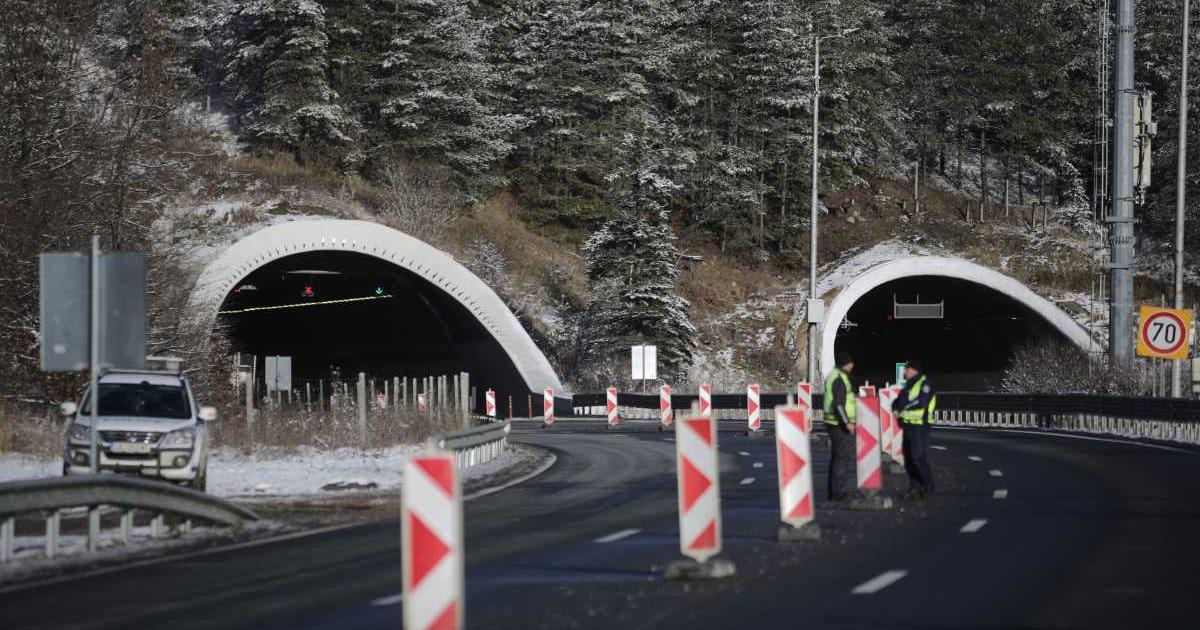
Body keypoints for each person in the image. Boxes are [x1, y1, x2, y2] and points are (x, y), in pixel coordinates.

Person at [892, 359, 937, 498]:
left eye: (907, 369)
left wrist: (903, 408)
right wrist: (898, 415)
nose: (904, 372)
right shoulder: (908, 385)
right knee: (908, 458)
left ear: (914, 370)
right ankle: (914, 486)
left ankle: (927, 485)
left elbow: (921, 403)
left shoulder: (924, 384)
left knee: (917, 456)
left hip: (920, 425)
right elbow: (897, 403)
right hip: (908, 425)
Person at [822, 351, 858, 501]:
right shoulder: (839, 379)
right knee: (842, 458)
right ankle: (838, 492)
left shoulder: (835, 375)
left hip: (834, 423)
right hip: (839, 424)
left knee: (838, 457)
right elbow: (839, 404)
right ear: (848, 364)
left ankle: (835, 490)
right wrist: (847, 423)